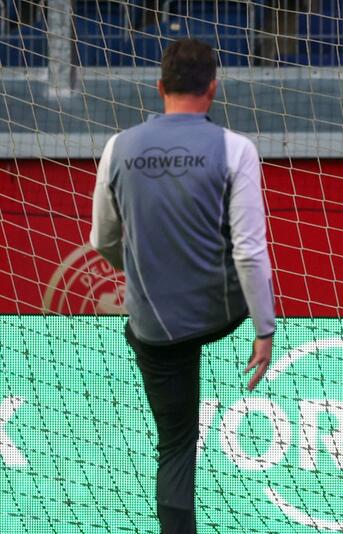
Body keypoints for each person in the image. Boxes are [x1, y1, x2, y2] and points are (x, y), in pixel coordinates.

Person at [90, 38, 275, 534]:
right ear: (213, 89)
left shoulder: (116, 147)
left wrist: (143, 271)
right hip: (222, 314)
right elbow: (249, 250)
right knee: (231, 256)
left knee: (175, 443)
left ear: (159, 87)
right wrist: (265, 329)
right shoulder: (237, 149)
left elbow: (103, 239)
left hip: (154, 322)